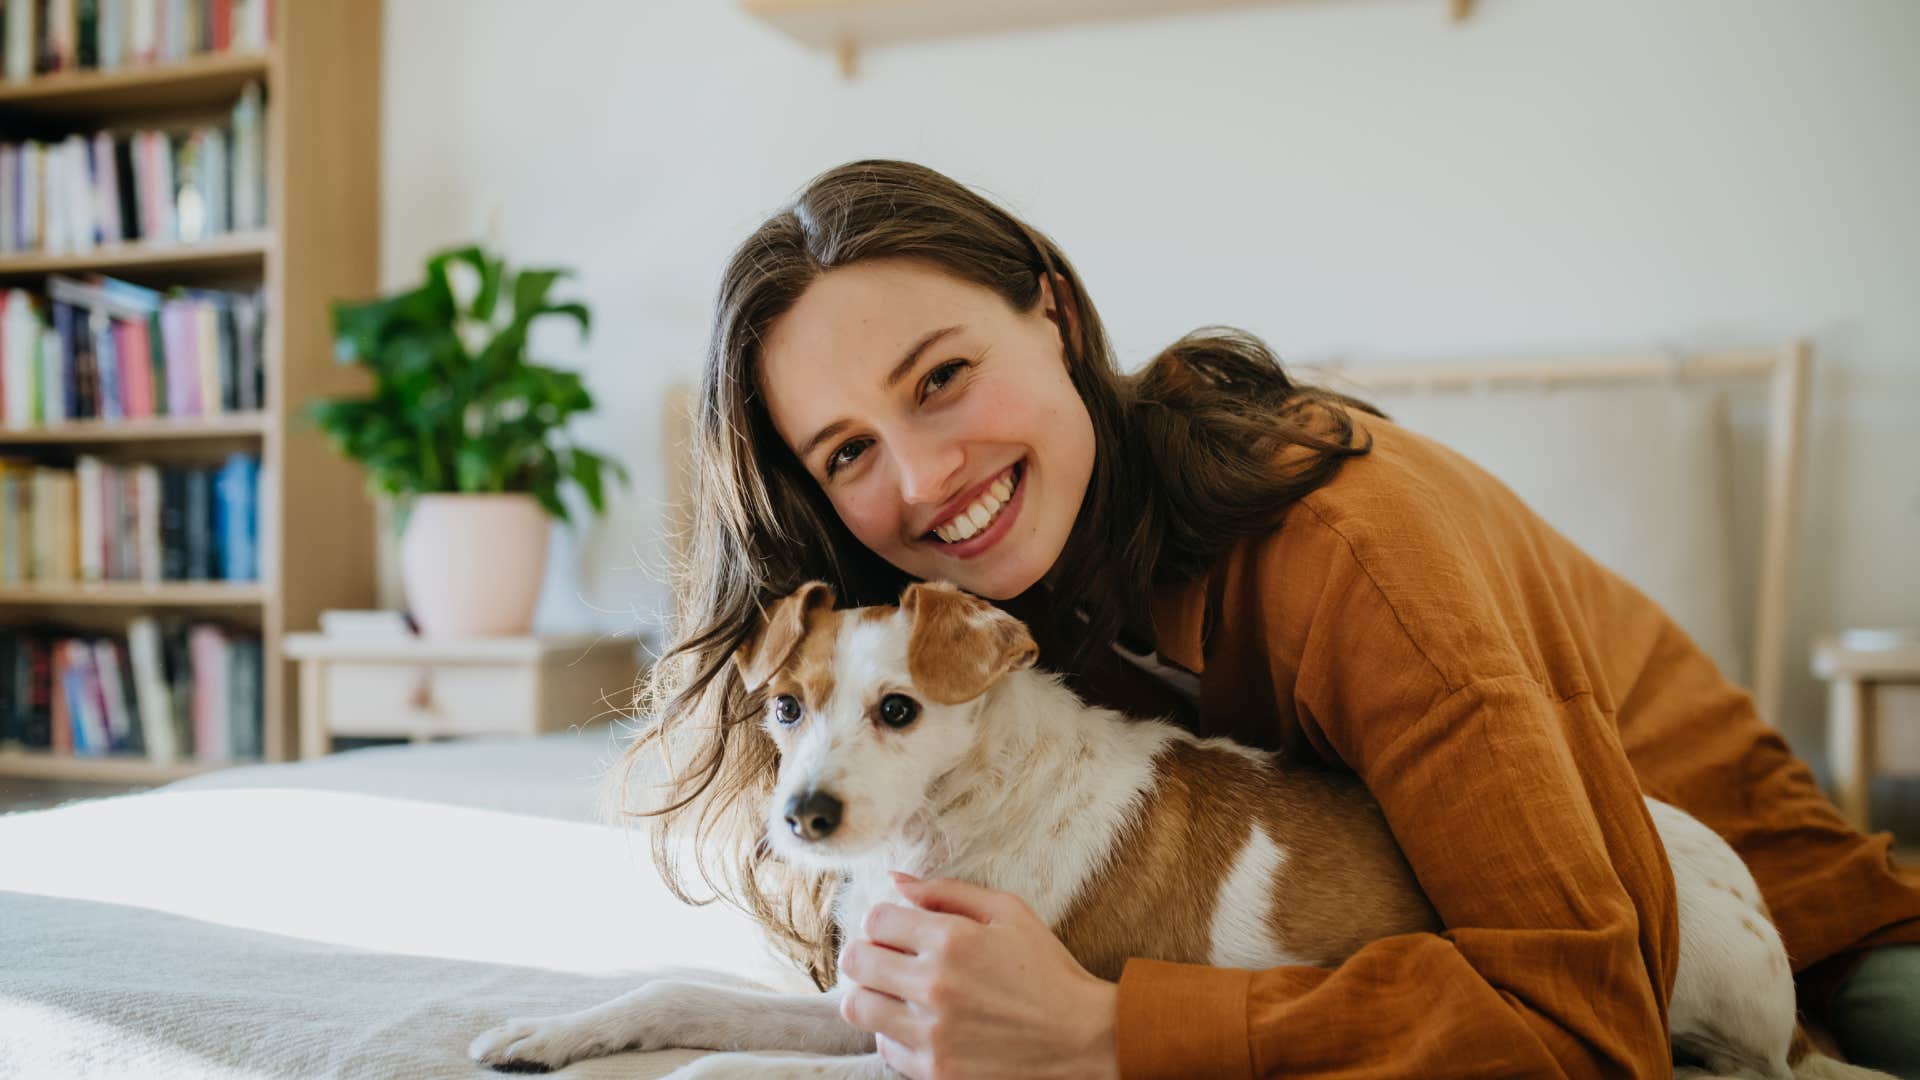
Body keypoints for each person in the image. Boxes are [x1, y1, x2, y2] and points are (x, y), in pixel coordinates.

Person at [627, 158, 1920, 1079]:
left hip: (1787, 937)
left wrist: (1105, 1037)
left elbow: (1583, 1017)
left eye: (944, 378)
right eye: (848, 453)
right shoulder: (1001, 635)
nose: (921, 480)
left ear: (1055, 314)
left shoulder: (1356, 550)